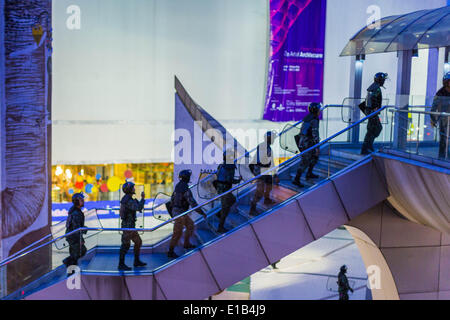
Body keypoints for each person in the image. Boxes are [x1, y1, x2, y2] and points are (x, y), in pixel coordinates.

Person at [168, 170, 207, 258]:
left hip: (180, 212)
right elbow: (192, 203)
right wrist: (202, 213)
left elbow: (172, 199)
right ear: (187, 177)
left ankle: (186, 243)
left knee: (190, 225)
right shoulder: (185, 188)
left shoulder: (179, 186)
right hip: (179, 213)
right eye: (189, 176)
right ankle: (170, 251)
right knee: (177, 233)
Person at [118, 182, 147, 271]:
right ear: (129, 189)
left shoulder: (128, 199)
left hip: (130, 226)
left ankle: (136, 261)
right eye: (133, 187)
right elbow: (138, 208)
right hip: (128, 227)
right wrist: (142, 199)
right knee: (125, 245)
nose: (134, 189)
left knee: (138, 242)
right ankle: (121, 264)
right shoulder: (128, 200)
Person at [249, 131, 279, 216]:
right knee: (259, 192)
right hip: (260, 172)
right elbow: (269, 162)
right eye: (272, 139)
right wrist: (275, 174)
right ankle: (252, 209)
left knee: (269, 182)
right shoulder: (266, 148)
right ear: (269, 139)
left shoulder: (263, 146)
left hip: (262, 170)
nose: (273, 140)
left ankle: (267, 199)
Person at [292, 102, 322, 188]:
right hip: (308, 143)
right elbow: (315, 134)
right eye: (319, 109)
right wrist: (317, 147)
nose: (320, 111)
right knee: (305, 161)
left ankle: (309, 173)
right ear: (315, 110)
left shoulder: (307, 117)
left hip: (302, 142)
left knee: (314, 158)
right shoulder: (314, 120)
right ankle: (296, 179)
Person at [214, 149, 242, 233]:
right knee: (225, 208)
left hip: (220, 188)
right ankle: (220, 227)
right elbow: (230, 180)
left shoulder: (221, 165)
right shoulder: (229, 166)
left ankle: (219, 214)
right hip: (225, 190)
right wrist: (238, 180)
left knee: (232, 200)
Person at [361, 72, 388, 155]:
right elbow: (372, 98)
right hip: (372, 113)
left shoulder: (373, 87)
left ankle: (367, 147)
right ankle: (367, 147)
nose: (384, 81)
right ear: (380, 80)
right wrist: (375, 108)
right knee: (376, 129)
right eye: (383, 79)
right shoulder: (376, 88)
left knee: (371, 130)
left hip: (371, 113)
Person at [63, 193, 87, 269]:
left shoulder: (76, 211)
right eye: (81, 200)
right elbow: (76, 229)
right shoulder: (76, 213)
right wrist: (81, 239)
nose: (83, 201)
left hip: (71, 236)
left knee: (75, 253)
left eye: (83, 200)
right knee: (81, 251)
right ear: (76, 201)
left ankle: (72, 270)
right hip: (73, 237)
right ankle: (68, 262)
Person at [431, 72, 450, 159]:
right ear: (446, 82)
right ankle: (442, 157)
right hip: (444, 120)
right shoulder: (440, 93)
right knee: (443, 139)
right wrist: (434, 119)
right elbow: (434, 107)